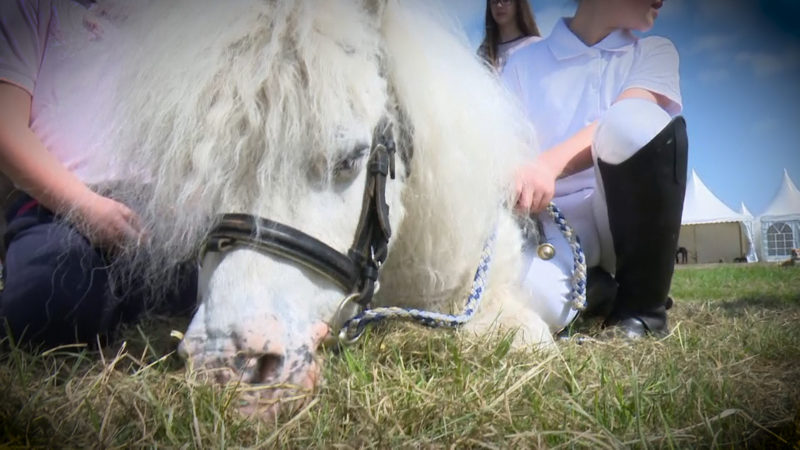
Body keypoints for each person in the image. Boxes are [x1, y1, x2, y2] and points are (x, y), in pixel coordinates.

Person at [0, 0, 195, 348]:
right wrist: (86, 207)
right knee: (48, 301)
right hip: (58, 211)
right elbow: (6, 128)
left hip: (164, 218)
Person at [501, 0, 687, 338]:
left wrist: (547, 165)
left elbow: (632, 116)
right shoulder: (522, 63)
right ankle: (600, 291)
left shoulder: (655, 51)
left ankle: (643, 311)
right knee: (531, 301)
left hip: (625, 218)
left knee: (631, 121)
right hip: (553, 223)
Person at [478, 0, 541, 72]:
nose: (499, 5)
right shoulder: (483, 53)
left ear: (518, 4)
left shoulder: (535, 45)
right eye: (494, 1)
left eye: (505, 0)